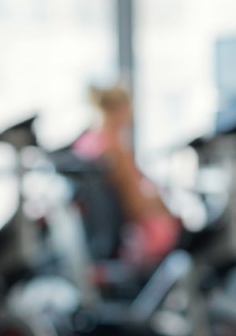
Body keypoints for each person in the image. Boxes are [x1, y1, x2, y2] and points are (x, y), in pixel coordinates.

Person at [72, 82, 180, 268]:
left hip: (96, 237)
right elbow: (134, 205)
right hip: (131, 236)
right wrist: (166, 209)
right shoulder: (115, 149)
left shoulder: (86, 142)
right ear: (122, 109)